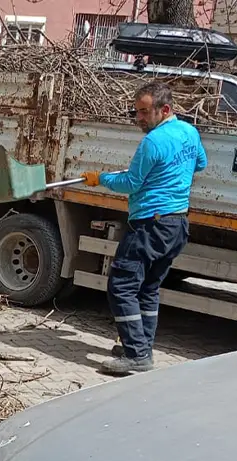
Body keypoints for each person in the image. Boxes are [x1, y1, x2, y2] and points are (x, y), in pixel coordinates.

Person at [81, 81, 206, 375]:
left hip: (150, 225)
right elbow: (199, 163)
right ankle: (140, 346)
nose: (139, 118)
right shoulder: (190, 132)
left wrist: (100, 178)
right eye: (136, 112)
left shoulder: (152, 142)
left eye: (143, 112)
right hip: (177, 224)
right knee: (148, 288)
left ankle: (136, 354)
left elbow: (131, 183)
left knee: (121, 286)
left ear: (164, 109)